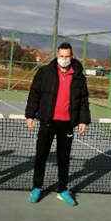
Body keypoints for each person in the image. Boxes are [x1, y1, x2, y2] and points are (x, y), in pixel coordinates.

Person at [25, 42, 91, 206]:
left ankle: (62, 190)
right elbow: (35, 93)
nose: (64, 59)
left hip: (67, 124)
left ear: (71, 56)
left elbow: (83, 99)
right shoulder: (45, 72)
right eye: (61, 56)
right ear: (57, 55)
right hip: (47, 121)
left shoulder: (78, 75)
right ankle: (37, 187)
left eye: (67, 56)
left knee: (64, 158)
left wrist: (83, 119)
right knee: (41, 155)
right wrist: (30, 115)